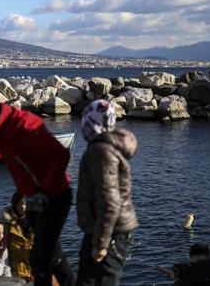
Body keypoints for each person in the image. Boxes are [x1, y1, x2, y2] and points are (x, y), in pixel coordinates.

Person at [0, 93, 74, 286]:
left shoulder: (24, 124)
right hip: (34, 199)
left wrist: (44, 192)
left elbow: (60, 155)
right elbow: (4, 146)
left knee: (42, 258)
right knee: (47, 255)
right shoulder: (4, 128)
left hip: (53, 196)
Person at [76, 99, 138, 286]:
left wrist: (101, 244)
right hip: (102, 230)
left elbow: (109, 200)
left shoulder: (101, 151)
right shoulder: (103, 147)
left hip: (111, 233)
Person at [0, 192, 34, 282]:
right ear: (15, 204)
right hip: (15, 274)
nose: (23, 207)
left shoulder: (37, 222)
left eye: (26, 204)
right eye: (20, 203)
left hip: (34, 273)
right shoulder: (6, 223)